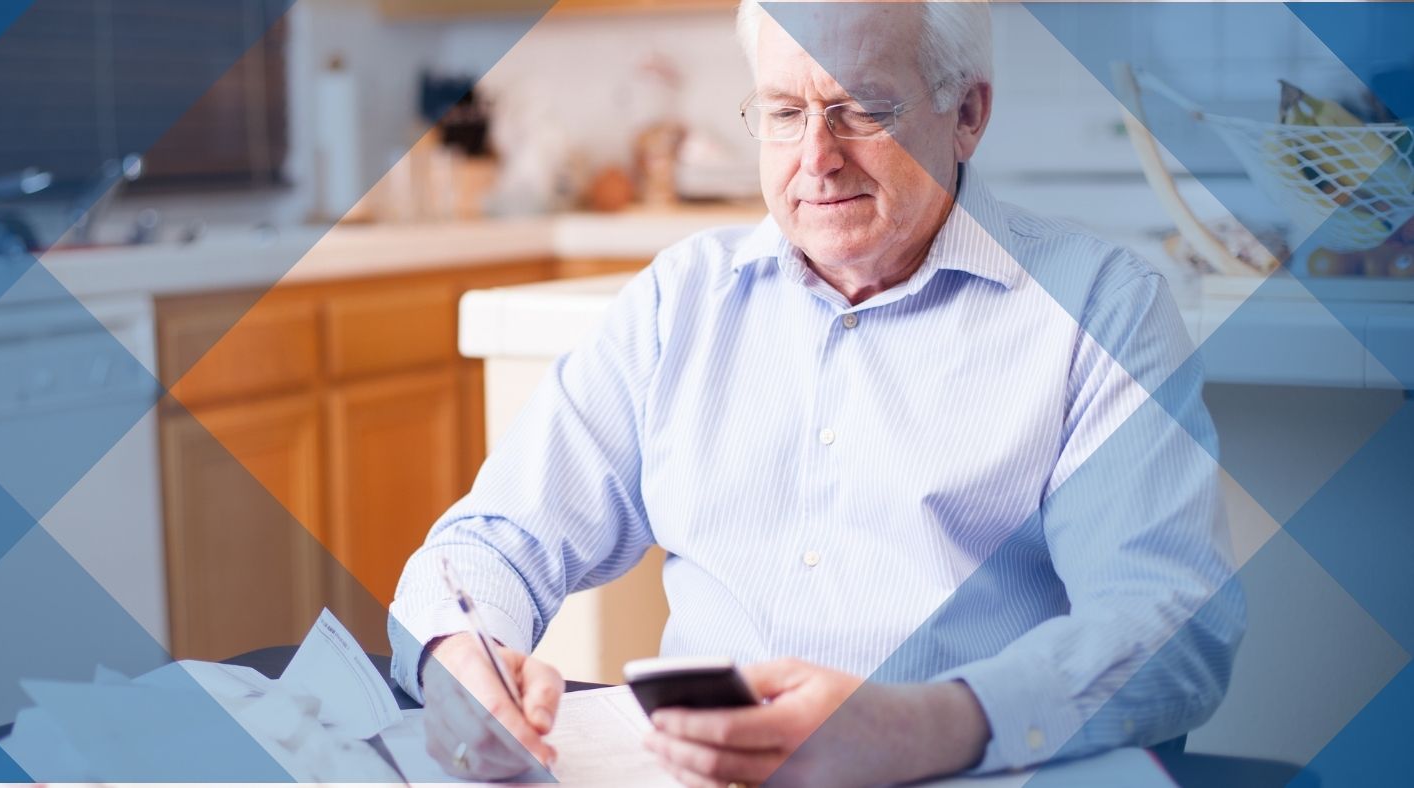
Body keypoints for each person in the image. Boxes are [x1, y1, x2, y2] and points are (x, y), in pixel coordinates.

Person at [389, 1, 1245, 785]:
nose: (815, 160)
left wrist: (918, 727)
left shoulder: (1099, 309)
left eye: (862, 111)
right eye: (785, 113)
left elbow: (1170, 626)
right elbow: (494, 540)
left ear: (969, 114)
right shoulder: (678, 301)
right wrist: (463, 651)